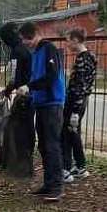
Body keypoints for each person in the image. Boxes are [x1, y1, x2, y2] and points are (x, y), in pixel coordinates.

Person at [15, 22, 66, 202]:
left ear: (35, 35)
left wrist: (29, 87)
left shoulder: (48, 49)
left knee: (52, 145)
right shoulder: (35, 52)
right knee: (44, 145)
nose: (25, 43)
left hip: (52, 103)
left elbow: (51, 77)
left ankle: (57, 187)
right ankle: (49, 183)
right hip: (42, 103)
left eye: (26, 39)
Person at [0, 22, 36, 178]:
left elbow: (14, 77)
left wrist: (7, 90)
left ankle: (19, 165)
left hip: (23, 95)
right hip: (32, 93)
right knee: (28, 129)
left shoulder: (16, 52)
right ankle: (25, 162)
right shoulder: (28, 49)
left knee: (16, 129)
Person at [62, 28, 97, 182]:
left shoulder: (83, 59)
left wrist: (75, 110)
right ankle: (77, 166)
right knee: (72, 133)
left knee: (69, 132)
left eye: (68, 40)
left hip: (76, 101)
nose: (67, 43)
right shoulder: (88, 56)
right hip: (79, 101)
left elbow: (81, 85)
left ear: (76, 40)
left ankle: (71, 167)